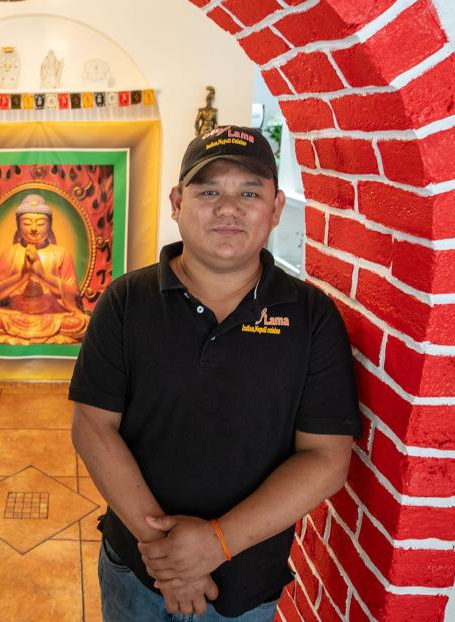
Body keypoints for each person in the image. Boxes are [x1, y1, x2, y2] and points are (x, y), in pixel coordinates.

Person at [70, 125, 359, 621]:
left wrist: (215, 545)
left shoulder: (312, 318)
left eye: (249, 192)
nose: (228, 208)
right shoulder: (125, 302)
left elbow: (327, 459)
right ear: (177, 202)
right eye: (209, 191)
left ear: (276, 208)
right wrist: (169, 557)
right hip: (138, 566)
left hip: (246, 581)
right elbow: (93, 427)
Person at [0, 194, 89, 344]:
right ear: (18, 226)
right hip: (15, 315)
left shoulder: (61, 253)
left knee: (81, 323)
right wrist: (22, 275)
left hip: (52, 316)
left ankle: (18, 339)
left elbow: (72, 294)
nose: (33, 229)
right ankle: (50, 339)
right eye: (26, 223)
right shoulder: (9, 253)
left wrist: (42, 275)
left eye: (40, 223)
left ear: (50, 225)